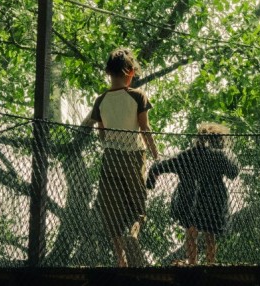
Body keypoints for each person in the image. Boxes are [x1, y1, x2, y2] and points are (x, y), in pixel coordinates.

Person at [91, 48, 159, 267]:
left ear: (109, 73)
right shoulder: (137, 96)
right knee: (137, 206)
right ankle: (133, 234)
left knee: (112, 209)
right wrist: (156, 154)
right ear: (130, 72)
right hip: (133, 157)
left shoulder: (100, 100)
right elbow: (145, 128)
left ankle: (120, 260)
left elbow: (101, 133)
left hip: (110, 157)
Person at [146, 122, 239, 265]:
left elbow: (161, 166)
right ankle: (210, 263)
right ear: (219, 140)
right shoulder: (220, 155)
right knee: (210, 234)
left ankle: (192, 263)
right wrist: (228, 155)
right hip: (213, 199)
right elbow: (234, 171)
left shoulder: (187, 156)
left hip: (189, 198)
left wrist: (151, 180)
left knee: (190, 232)